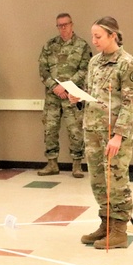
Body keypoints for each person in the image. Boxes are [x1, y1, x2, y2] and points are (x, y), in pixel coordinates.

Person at [69, 16, 133, 250]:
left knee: (116, 181)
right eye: (92, 36)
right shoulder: (94, 63)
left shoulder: (127, 63)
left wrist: (118, 135)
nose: (94, 40)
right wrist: (77, 97)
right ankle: (106, 224)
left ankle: (120, 230)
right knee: (98, 181)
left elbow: (129, 103)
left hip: (113, 133)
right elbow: (92, 92)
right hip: (92, 130)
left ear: (113, 36)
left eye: (98, 36)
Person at [37, 13, 91, 178]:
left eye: (65, 24)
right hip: (53, 96)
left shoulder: (82, 46)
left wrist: (67, 87)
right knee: (50, 130)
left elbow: (85, 69)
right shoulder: (50, 45)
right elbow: (43, 69)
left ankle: (77, 165)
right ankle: (52, 163)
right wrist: (55, 87)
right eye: (59, 25)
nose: (63, 28)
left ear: (72, 25)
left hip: (72, 96)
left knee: (75, 130)